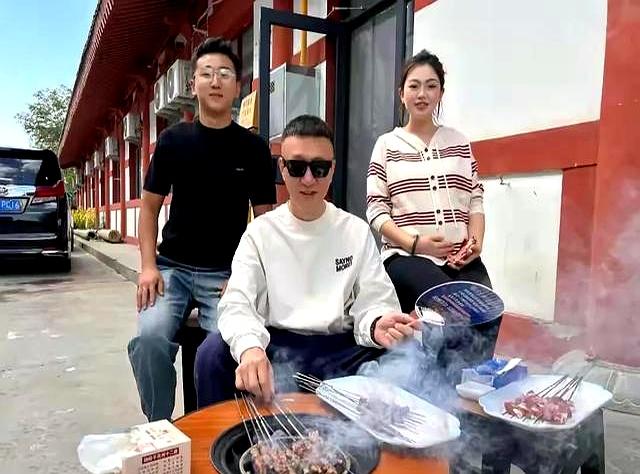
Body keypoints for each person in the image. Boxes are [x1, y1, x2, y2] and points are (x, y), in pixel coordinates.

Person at [194, 115, 417, 406]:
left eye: (319, 168)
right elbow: (237, 302)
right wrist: (250, 348)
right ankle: (221, 434)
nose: (309, 179)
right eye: (297, 168)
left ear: (332, 170)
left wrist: (377, 323)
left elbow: (375, 300)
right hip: (277, 347)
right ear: (282, 169)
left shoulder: (354, 231)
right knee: (211, 354)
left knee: (407, 355)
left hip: (341, 349)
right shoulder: (261, 232)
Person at [128, 37, 276, 421]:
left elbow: (266, 222)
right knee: (149, 338)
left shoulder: (254, 149)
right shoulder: (173, 141)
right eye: (207, 73)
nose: (215, 81)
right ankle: (159, 427)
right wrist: (148, 267)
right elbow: (149, 208)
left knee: (224, 348)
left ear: (237, 87)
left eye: (224, 74)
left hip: (225, 273)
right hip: (172, 270)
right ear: (193, 84)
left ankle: (215, 429)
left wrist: (248, 276)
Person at [366, 50, 500, 382]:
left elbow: (475, 199)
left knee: (489, 309)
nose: (422, 94)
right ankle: (434, 387)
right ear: (402, 93)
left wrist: (476, 242)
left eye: (431, 86)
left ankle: (468, 386)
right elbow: (376, 211)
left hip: (459, 256)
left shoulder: (459, 142)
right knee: (449, 307)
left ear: (441, 92)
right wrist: (417, 244)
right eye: (414, 86)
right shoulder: (387, 145)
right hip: (406, 256)